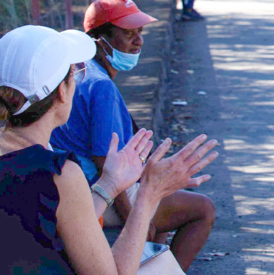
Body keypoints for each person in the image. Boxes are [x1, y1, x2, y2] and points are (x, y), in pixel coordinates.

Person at [0, 24, 218, 274]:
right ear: (62, 92)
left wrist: (109, 184)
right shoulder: (58, 174)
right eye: (76, 74)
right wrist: (149, 194)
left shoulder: (29, 159)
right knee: (161, 266)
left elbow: (59, 220)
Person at [50, 0, 217, 270]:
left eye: (139, 32)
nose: (138, 41)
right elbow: (107, 166)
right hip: (98, 193)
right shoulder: (101, 86)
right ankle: (169, 269)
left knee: (163, 198)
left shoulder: (79, 72)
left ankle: (157, 264)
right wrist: (135, 221)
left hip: (78, 186)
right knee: (203, 209)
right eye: (128, 34)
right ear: (99, 39)